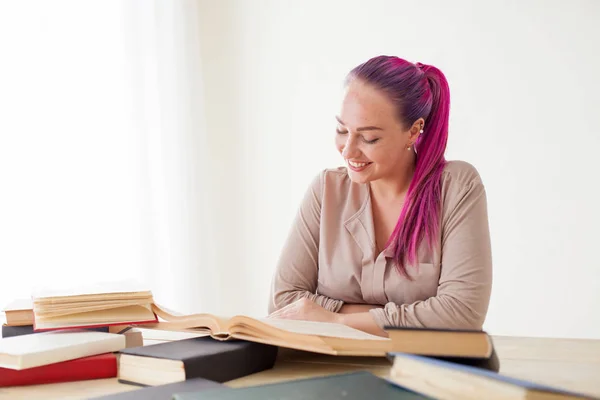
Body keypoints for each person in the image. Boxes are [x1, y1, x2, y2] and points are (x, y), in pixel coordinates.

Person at [267, 55, 492, 337]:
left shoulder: (456, 187)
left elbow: (462, 314)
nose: (348, 151)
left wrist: (333, 320)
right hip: (329, 366)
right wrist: (415, 316)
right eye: (342, 130)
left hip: (422, 371)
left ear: (412, 132)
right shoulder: (327, 189)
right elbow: (284, 304)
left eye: (369, 138)